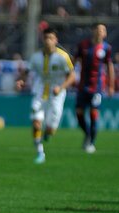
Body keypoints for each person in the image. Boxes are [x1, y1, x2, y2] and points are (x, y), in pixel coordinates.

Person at [16, 28, 76, 164]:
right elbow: (26, 71)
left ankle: (48, 133)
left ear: (56, 40)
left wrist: (61, 87)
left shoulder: (63, 57)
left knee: (50, 128)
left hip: (57, 93)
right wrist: (21, 81)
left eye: (51, 38)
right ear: (43, 40)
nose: (48, 41)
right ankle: (40, 152)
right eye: (46, 38)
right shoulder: (36, 56)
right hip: (40, 91)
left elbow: (72, 76)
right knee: (36, 122)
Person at [73, 23, 115, 153]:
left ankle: (91, 143)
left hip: (97, 88)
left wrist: (111, 86)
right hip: (82, 86)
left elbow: (109, 67)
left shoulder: (106, 48)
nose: (99, 31)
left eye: (102, 30)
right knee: (79, 114)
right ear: (93, 31)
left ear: (105, 34)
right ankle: (88, 134)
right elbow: (74, 61)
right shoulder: (83, 45)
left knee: (93, 113)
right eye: (98, 29)